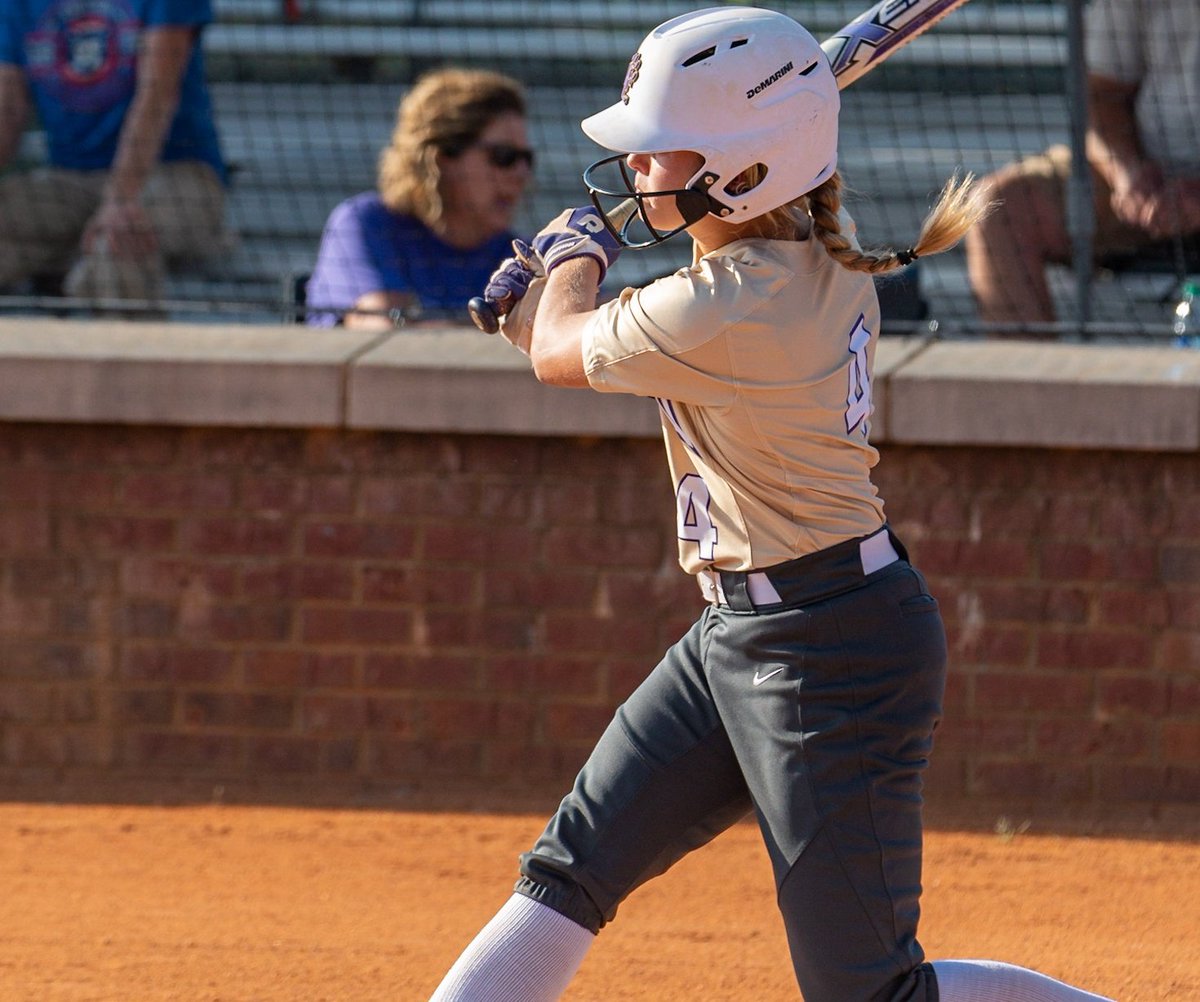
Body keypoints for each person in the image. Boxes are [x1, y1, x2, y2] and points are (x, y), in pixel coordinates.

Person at [431, 8, 1117, 1002]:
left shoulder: (738, 301)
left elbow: (559, 349)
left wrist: (567, 253)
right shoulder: (772, 271)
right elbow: (571, 337)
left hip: (829, 648)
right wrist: (533, 297)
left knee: (870, 994)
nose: (636, 174)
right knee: (566, 875)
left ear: (745, 169)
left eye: (661, 153)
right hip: (739, 632)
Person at [967, 0, 1200, 333]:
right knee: (999, 207)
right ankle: (1035, 380)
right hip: (1153, 178)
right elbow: (1102, 95)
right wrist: (1127, 174)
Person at [0, 0, 229, 310]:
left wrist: (120, 199)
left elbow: (157, 95)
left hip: (174, 174)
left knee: (121, 242)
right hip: (67, 180)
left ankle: (135, 354)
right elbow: (7, 110)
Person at [304, 68, 533, 329]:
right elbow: (385, 335)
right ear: (441, 158)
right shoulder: (367, 224)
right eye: (504, 157)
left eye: (527, 159)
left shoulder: (519, 256)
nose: (522, 173)